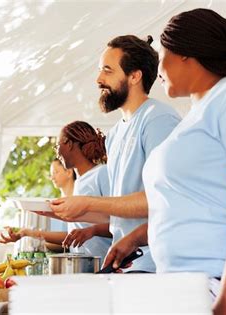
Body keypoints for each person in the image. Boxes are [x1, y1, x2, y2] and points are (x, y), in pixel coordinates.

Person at [104, 8, 226, 314]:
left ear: (185, 55)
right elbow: (196, 203)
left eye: (161, 55)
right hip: (193, 285)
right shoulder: (197, 115)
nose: (158, 68)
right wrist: (137, 237)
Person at [49, 35, 181, 272]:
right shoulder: (115, 134)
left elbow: (163, 199)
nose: (99, 79)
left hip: (155, 264)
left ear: (134, 76)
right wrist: (77, 211)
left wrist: (87, 203)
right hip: (126, 264)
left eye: (107, 71)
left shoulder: (158, 119)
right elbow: (121, 208)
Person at [0, 121, 112, 260]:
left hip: (105, 264)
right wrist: (38, 216)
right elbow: (83, 222)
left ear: (69, 144)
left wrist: (92, 231)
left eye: (57, 146)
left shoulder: (102, 173)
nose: (57, 152)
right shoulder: (79, 183)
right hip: (83, 263)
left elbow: (120, 223)